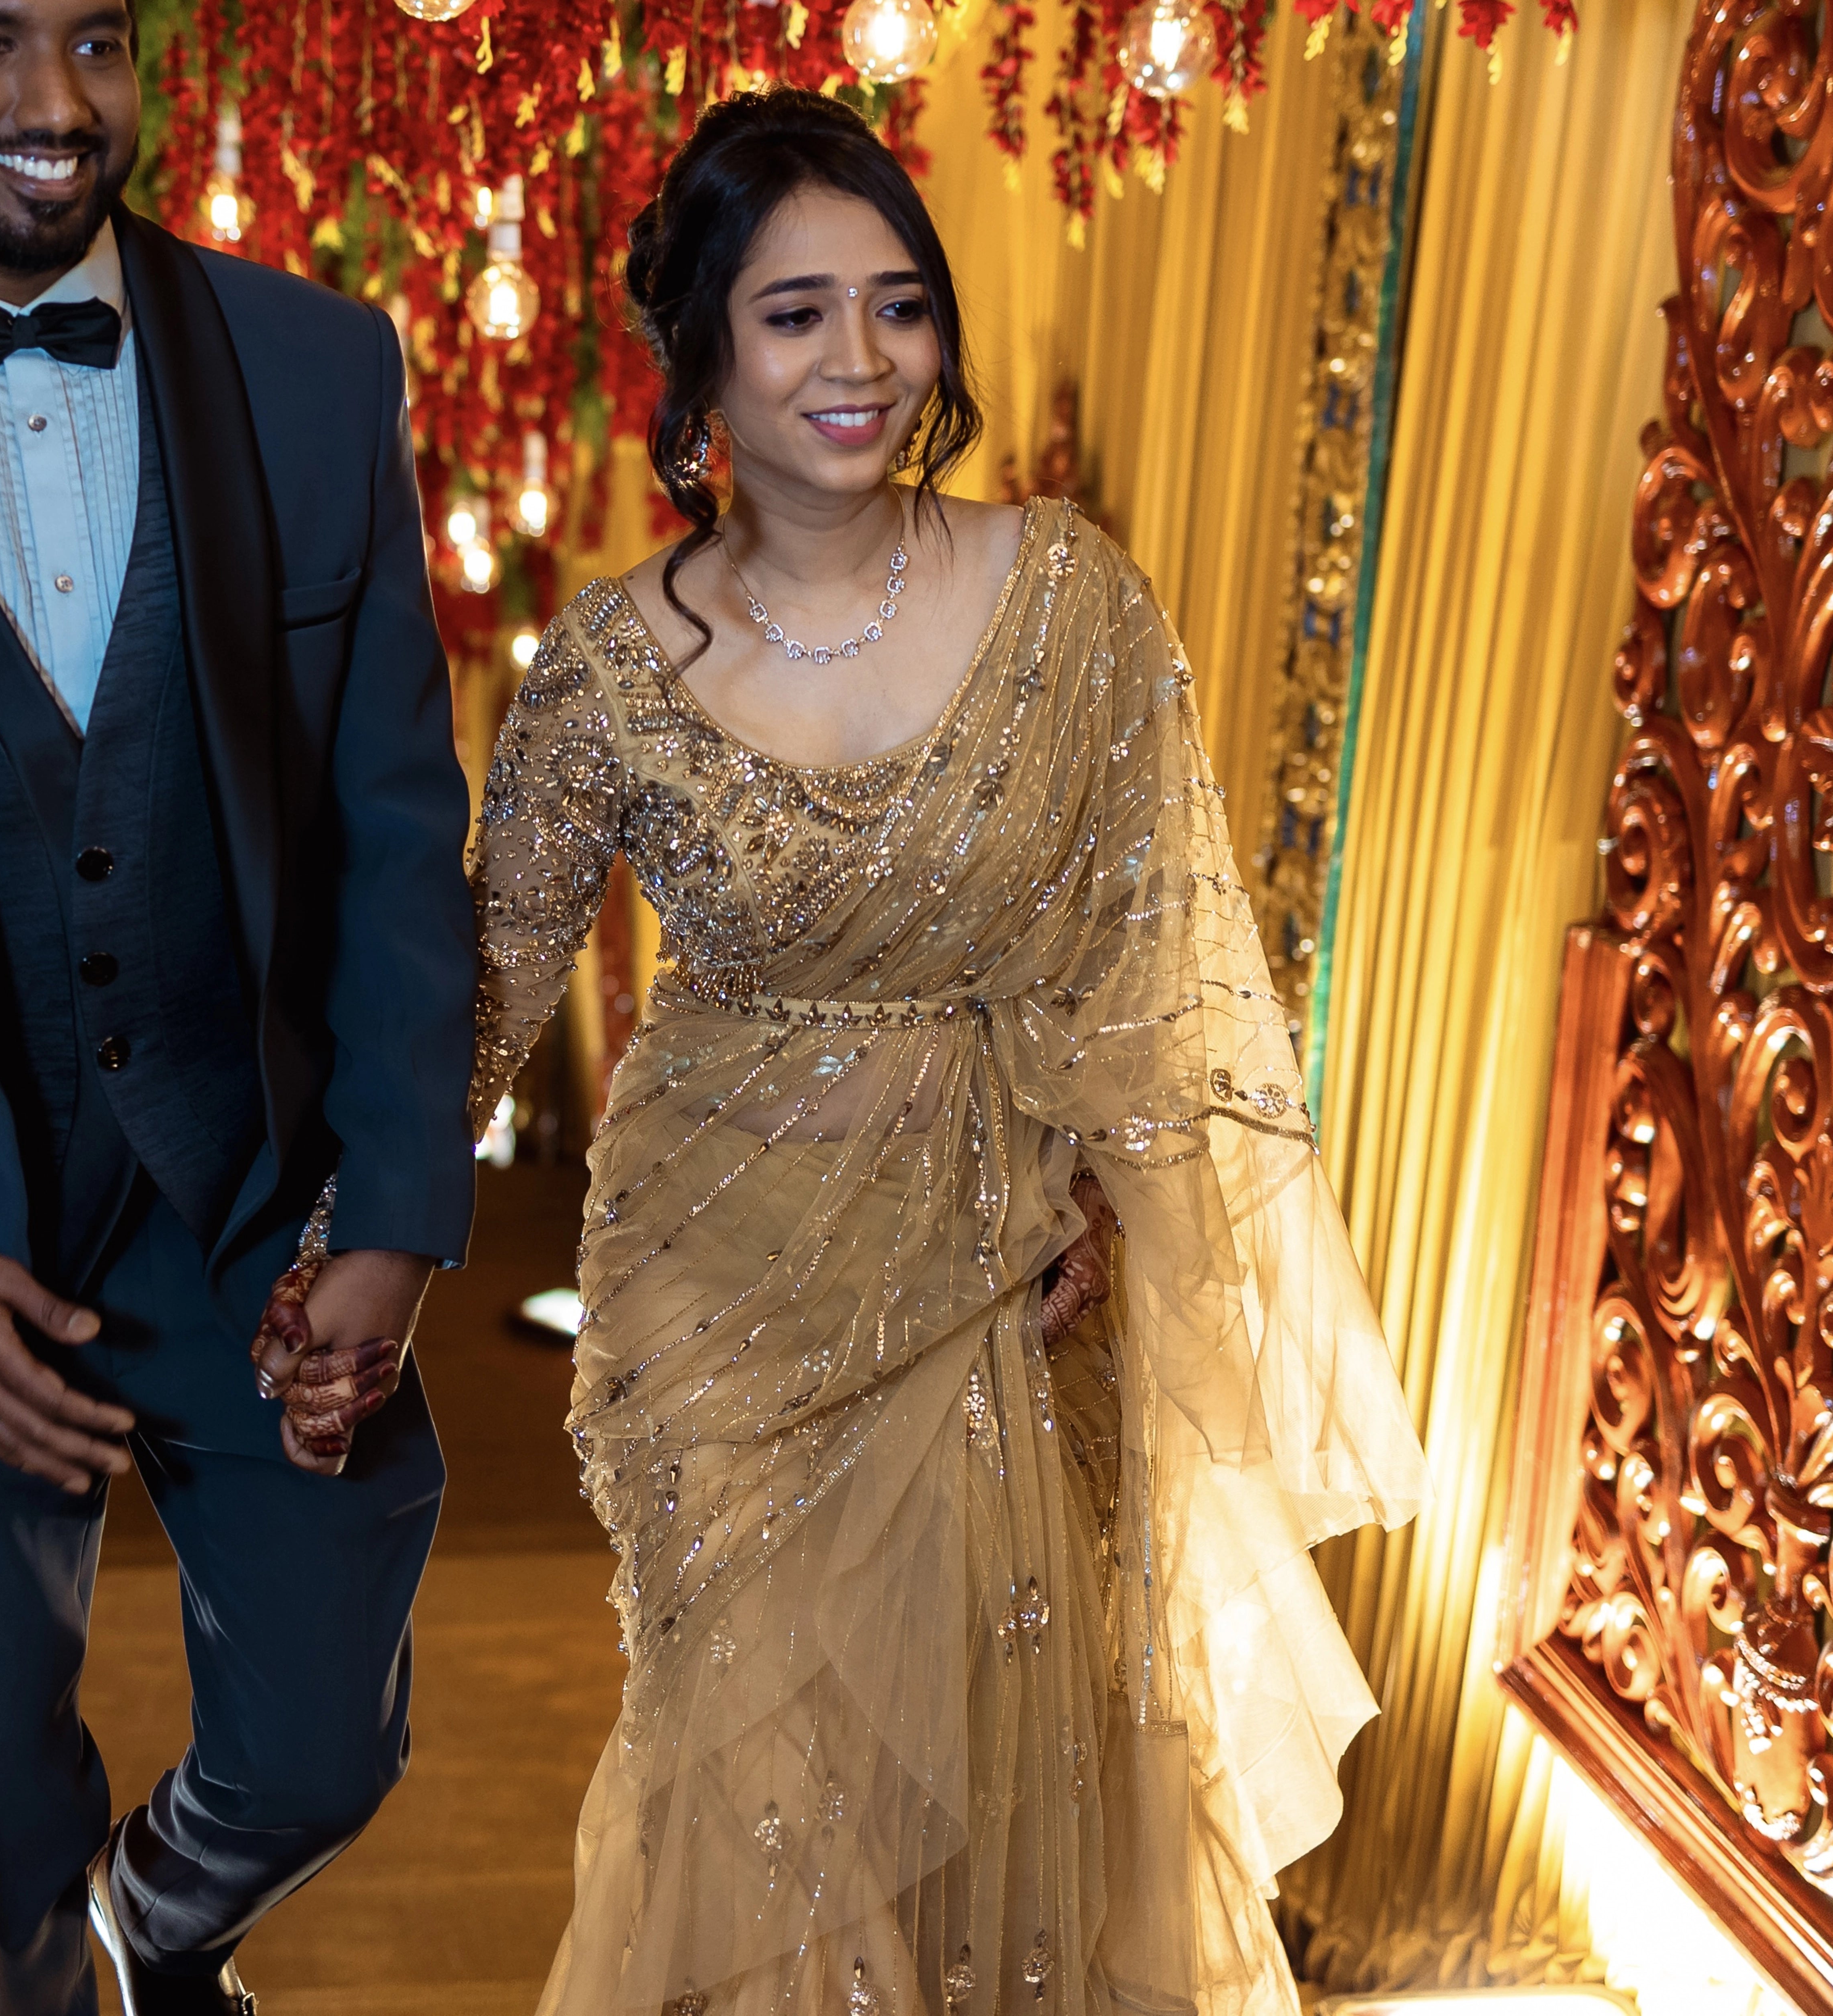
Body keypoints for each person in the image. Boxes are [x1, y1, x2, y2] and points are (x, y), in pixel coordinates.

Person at [458, 90, 1433, 2016]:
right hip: (718, 1316)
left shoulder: (1066, 598)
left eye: (897, 307)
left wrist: (1113, 1188)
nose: (860, 361)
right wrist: (328, 1251)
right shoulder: (602, 672)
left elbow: (1164, 959)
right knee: (767, 1804)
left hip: (997, 1284)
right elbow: (481, 999)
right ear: (704, 355)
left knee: (1001, 1796)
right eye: (797, 312)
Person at [0, 0, 478, 2007]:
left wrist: (392, 1218)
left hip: (254, 1209)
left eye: (97, 38)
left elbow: (392, 828)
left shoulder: (311, 365)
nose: (53, 104)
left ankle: (155, 1932)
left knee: (319, 1742)